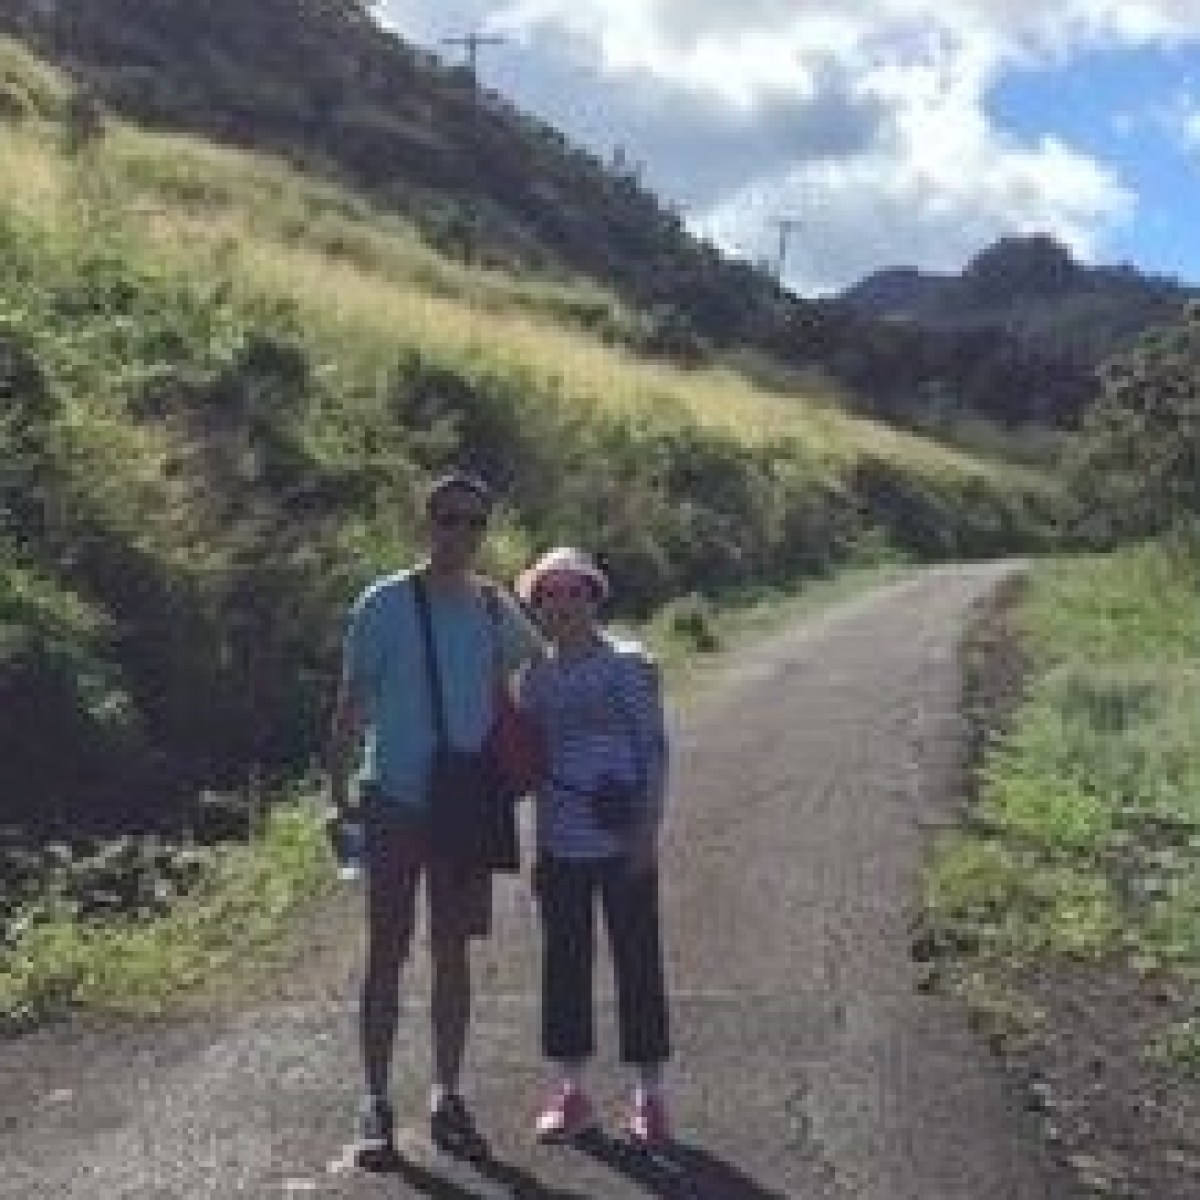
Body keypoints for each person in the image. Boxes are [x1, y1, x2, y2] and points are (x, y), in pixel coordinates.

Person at [326, 470, 542, 1165]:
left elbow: (538, 667)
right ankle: (375, 1099)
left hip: (465, 801)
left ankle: (447, 1093)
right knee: (386, 951)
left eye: (475, 522)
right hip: (393, 797)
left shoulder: (493, 606)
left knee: (453, 952)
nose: (462, 533)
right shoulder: (382, 603)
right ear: (427, 524)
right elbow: (352, 700)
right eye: (450, 519)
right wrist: (337, 791)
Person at [515, 546, 673, 1147]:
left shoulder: (628, 665)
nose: (562, 604)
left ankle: (650, 1098)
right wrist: (538, 846)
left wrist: (646, 834)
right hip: (562, 844)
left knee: (638, 963)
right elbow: (535, 767)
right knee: (564, 968)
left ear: (593, 599)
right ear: (537, 605)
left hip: (622, 840)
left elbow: (653, 751)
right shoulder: (535, 677)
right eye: (549, 594)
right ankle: (571, 1093)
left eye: (574, 592)